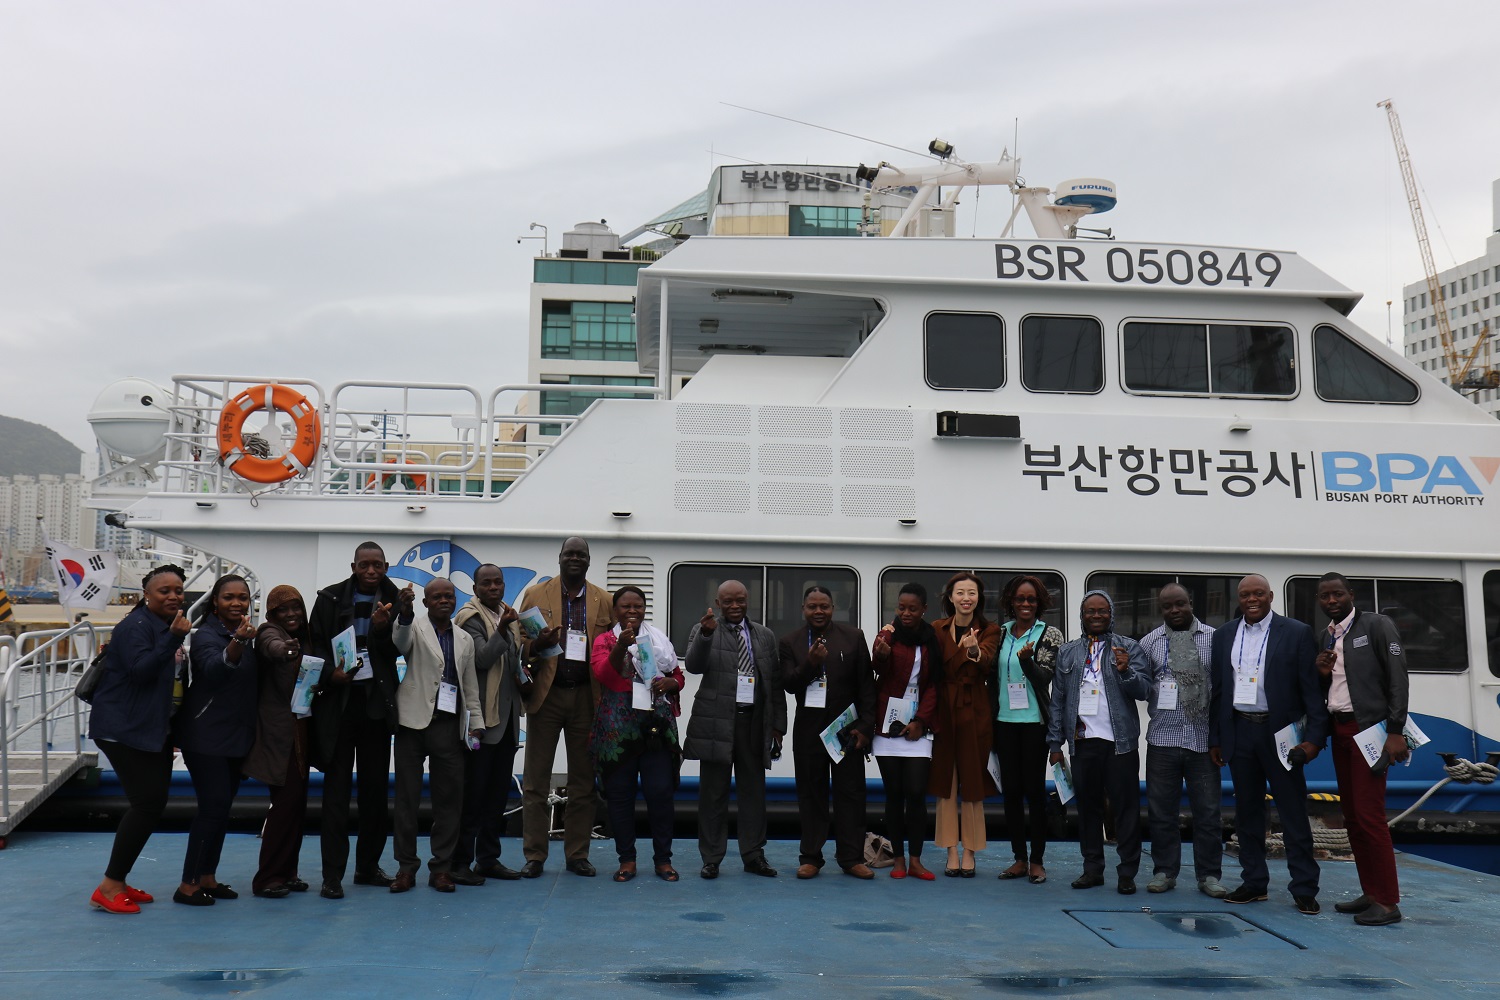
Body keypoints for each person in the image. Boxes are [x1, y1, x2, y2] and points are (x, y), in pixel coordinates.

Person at [1209, 574, 1327, 915]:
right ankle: (1254, 883)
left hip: (1282, 735)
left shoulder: (1297, 632)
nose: (1252, 600)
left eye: (1258, 593)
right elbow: (1220, 690)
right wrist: (1217, 737)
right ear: (1238, 598)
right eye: (1245, 595)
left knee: (1292, 812)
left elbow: (1311, 692)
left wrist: (1314, 739)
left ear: (1271, 595)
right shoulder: (1225, 634)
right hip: (1240, 732)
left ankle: (1304, 887)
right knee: (1247, 813)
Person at [87, 564, 192, 914]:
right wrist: (174, 638)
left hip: (150, 730)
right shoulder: (136, 626)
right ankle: (110, 885)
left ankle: (119, 878)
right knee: (147, 804)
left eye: (178, 590)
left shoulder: (162, 626)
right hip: (122, 729)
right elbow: (142, 672)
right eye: (165, 591)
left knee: (153, 803)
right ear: (147, 595)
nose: (174, 596)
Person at [515, 536, 614, 878]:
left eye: (581, 554)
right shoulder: (536, 595)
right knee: (536, 781)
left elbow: (611, 648)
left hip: (588, 698)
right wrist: (536, 645)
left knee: (584, 783)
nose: (574, 559)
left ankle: (577, 854)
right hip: (548, 694)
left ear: (588, 560)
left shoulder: (604, 599)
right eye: (569, 553)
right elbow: (520, 645)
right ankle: (535, 855)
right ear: (559, 558)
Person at [308, 541, 402, 899]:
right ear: (353, 566)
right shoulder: (330, 599)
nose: (370, 571)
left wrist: (381, 630)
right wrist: (331, 673)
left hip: (375, 707)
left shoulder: (397, 600)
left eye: (377, 565)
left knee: (375, 792)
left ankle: (366, 868)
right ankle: (332, 875)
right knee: (335, 794)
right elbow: (314, 643)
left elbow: (402, 649)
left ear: (386, 566)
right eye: (364, 565)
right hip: (339, 705)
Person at [1315, 572, 1409, 926]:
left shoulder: (1377, 626)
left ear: (1351, 594)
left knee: (1370, 816)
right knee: (1352, 816)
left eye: (1337, 594)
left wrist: (1395, 731)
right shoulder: (1326, 635)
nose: (1331, 601)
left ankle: (1387, 902)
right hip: (1340, 731)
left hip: (1369, 730)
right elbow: (1331, 688)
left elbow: (1398, 678)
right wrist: (1320, 673)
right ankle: (1370, 892)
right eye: (1325, 596)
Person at [1048, 590, 1150, 893]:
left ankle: (1127, 873)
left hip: (1120, 743)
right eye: (1090, 611)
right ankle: (1092, 869)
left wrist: (1125, 671)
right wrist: (1055, 744)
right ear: (1082, 615)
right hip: (1082, 742)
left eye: (1102, 611)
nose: (1096, 616)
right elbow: (1058, 699)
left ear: (1111, 614)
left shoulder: (1128, 648)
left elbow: (1144, 691)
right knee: (1088, 809)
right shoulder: (1067, 652)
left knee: (1126, 809)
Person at [683, 579, 785, 879]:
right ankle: (711, 858)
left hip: (753, 722)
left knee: (754, 793)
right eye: (728, 601)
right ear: (718, 602)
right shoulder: (704, 629)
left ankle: (754, 855)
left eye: (740, 600)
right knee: (713, 794)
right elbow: (693, 665)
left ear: (747, 599)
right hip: (716, 721)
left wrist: (778, 724)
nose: (735, 606)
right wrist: (704, 635)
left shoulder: (764, 636)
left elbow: (775, 683)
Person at [390, 578, 483, 892]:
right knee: (407, 800)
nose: (444, 601)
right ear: (426, 602)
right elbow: (400, 643)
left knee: (449, 801)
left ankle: (441, 868)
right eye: (436, 597)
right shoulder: (413, 626)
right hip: (411, 724)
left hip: (448, 725)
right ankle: (406, 868)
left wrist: (476, 725)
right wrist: (404, 614)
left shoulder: (464, 639)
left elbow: (470, 686)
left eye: (449, 596)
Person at [173, 574, 259, 906]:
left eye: (242, 597)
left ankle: (207, 876)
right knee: (212, 808)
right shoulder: (209, 634)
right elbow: (214, 669)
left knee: (222, 810)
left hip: (235, 737)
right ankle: (188, 885)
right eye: (228, 598)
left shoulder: (246, 635)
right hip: (205, 737)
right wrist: (237, 641)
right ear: (215, 603)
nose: (236, 603)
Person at [780, 586, 877, 880]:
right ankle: (811, 857)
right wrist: (812, 663)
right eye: (812, 606)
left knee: (851, 795)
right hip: (809, 733)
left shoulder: (853, 637)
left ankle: (851, 858)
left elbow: (866, 688)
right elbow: (789, 684)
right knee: (811, 796)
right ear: (803, 609)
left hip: (846, 732)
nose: (818, 611)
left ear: (833, 608)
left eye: (824, 606)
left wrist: (865, 728)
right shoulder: (790, 642)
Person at [590, 586, 686, 882]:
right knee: (620, 797)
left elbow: (677, 675)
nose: (632, 611)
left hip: (655, 727)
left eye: (638, 606)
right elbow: (605, 675)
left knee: (660, 793)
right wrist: (621, 646)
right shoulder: (604, 640)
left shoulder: (657, 639)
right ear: (614, 610)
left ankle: (663, 861)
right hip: (618, 730)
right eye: (625, 606)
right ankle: (626, 860)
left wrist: (673, 684)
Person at [1138, 583, 1226, 898]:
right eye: (1167, 607)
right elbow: (1138, 684)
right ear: (1160, 609)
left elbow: (1224, 689)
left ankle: (1209, 875)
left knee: (1208, 812)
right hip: (1162, 739)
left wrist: (1221, 736)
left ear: (1190, 603)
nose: (1174, 611)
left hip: (1203, 743)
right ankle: (1164, 871)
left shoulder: (1215, 639)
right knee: (1161, 812)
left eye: (1180, 604)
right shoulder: (1149, 643)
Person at [453, 564, 524, 882]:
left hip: (507, 722)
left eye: (498, 582)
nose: (493, 588)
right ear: (475, 588)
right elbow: (481, 658)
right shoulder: (470, 619)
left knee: (497, 796)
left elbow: (513, 662)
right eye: (486, 583)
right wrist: (503, 630)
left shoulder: (508, 616)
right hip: (480, 723)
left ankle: (488, 858)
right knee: (474, 795)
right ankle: (460, 862)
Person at [928, 572, 1000, 877]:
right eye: (960, 592)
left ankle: (970, 850)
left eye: (972, 593)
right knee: (946, 781)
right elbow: (932, 665)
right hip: (945, 706)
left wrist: (971, 649)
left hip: (974, 707)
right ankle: (950, 850)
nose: (966, 598)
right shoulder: (936, 628)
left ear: (978, 598)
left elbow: (986, 661)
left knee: (972, 779)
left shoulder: (990, 629)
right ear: (950, 597)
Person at [244, 585, 313, 898]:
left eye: (295, 607)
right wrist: (286, 650)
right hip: (278, 736)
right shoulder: (270, 633)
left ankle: (287, 872)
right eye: (283, 610)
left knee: (295, 806)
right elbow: (271, 645)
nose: (291, 614)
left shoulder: (305, 636)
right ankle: (268, 878)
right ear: (272, 614)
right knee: (284, 806)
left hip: (297, 735)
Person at [993, 574, 1062, 885]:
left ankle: (1037, 861)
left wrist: (1026, 662)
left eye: (1031, 599)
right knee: (1010, 794)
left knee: (1034, 793)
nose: (1025, 604)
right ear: (1011, 601)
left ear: (1039, 603)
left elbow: (1044, 678)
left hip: (1034, 724)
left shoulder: (1050, 635)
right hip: (1004, 722)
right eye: (1020, 599)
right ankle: (1018, 858)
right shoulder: (1000, 633)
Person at [870, 582, 941, 881]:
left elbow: (935, 684)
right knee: (894, 794)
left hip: (919, 726)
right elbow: (877, 674)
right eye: (901, 607)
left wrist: (921, 721)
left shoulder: (931, 640)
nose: (906, 613)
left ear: (924, 609)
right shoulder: (887, 635)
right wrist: (882, 656)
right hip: (887, 725)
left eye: (912, 608)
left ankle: (916, 860)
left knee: (916, 793)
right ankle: (898, 859)